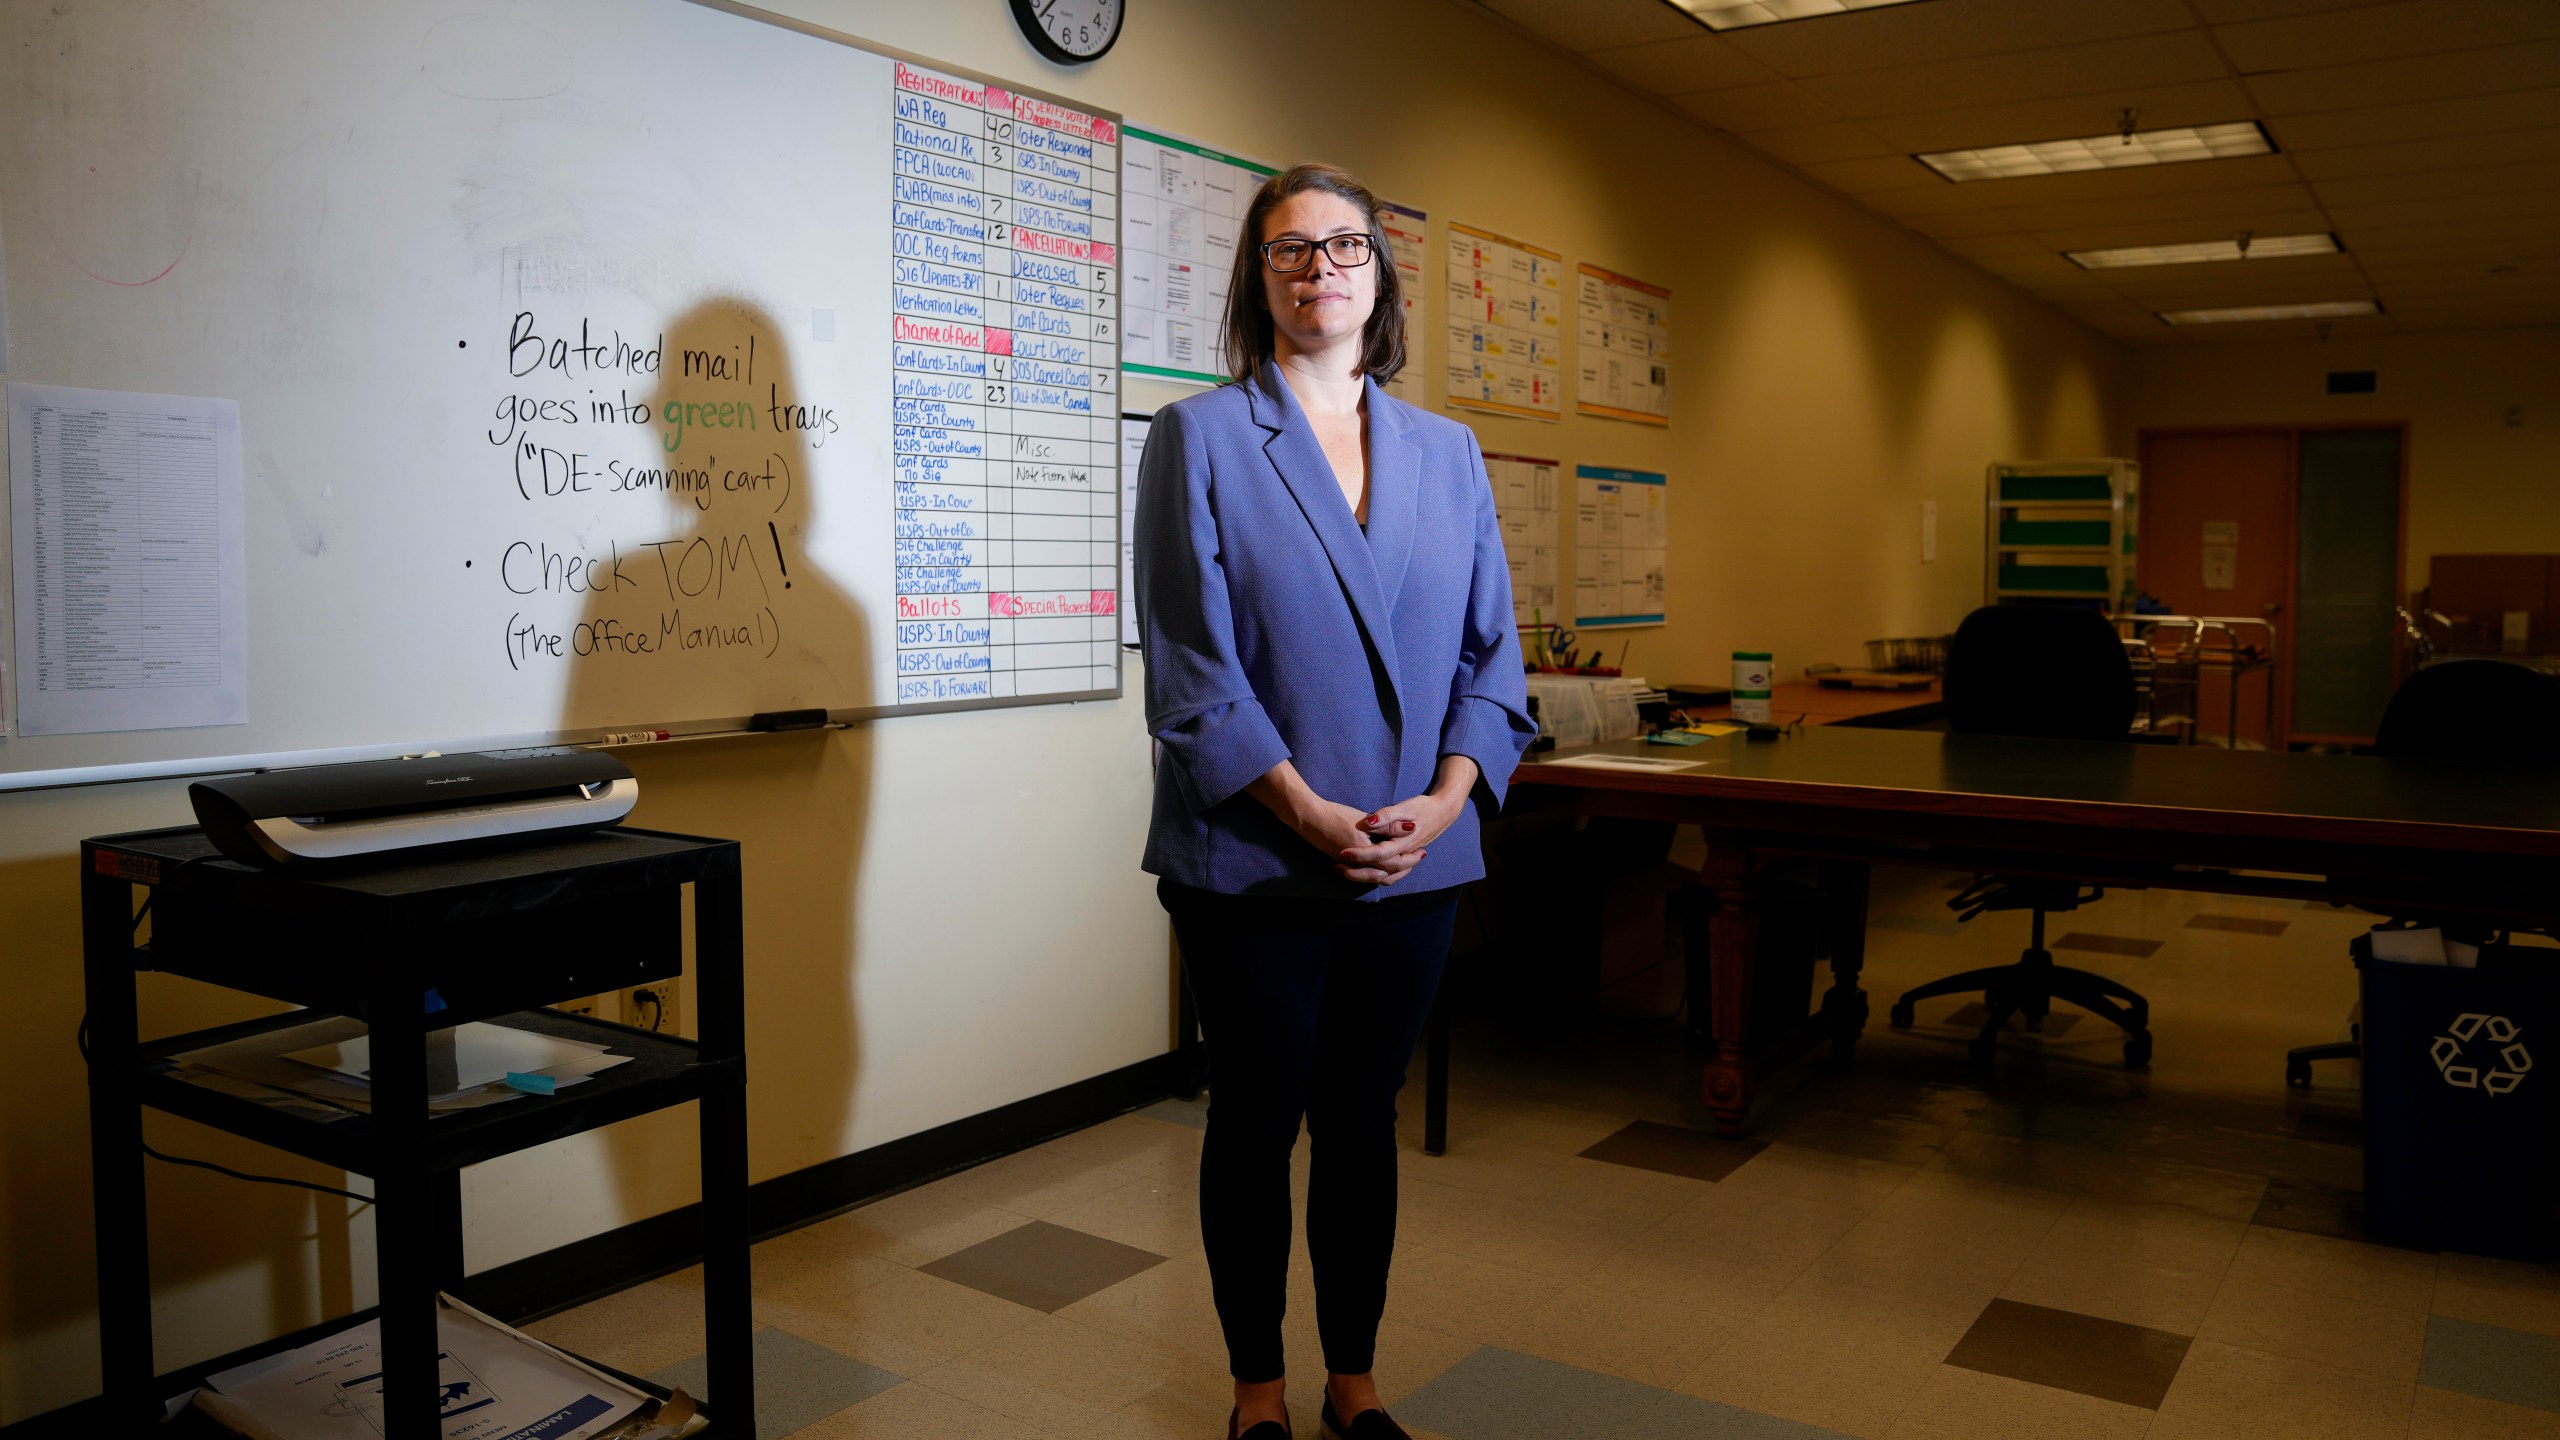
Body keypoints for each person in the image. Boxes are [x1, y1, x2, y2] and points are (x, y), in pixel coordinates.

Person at [1132, 163, 1535, 1440]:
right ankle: (1257, 1392)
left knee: (1362, 1124)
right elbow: (1191, 665)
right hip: (1254, 855)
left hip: (1417, 852)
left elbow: (1493, 655)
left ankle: (1353, 1382)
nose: (1319, 270)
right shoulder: (1200, 436)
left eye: (1343, 246)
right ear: (1260, 281)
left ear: (1379, 273)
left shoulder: (1448, 452)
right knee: (1256, 1120)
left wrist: (1451, 795)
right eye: (1289, 251)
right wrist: (1305, 813)